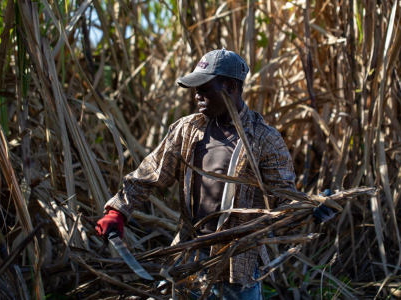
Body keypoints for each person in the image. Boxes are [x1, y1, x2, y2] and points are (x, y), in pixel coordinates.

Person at [96, 48, 336, 299]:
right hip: (188, 256)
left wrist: (312, 208)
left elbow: (283, 201)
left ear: (230, 87)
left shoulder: (265, 139)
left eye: (204, 88)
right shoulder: (187, 130)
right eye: (195, 90)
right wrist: (117, 211)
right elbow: (149, 174)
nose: (197, 96)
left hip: (237, 266)